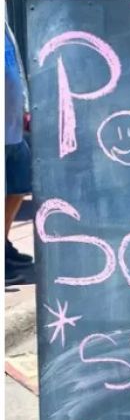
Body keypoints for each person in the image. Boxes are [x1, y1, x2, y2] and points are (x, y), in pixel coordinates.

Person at [5, 19, 33, 286]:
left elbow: (16, 67)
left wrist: (25, 106)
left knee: (18, 186)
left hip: (12, 127)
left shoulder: (4, 24)